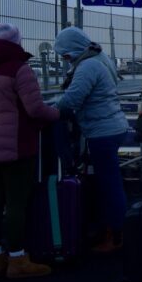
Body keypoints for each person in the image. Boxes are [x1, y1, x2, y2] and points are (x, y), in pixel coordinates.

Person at [0, 23, 60, 279]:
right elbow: (35, 109)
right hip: (16, 145)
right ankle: (18, 259)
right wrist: (57, 113)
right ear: (16, 42)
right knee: (16, 203)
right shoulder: (20, 69)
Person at [54, 26, 129, 252]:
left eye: (65, 54)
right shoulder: (99, 59)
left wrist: (50, 109)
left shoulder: (88, 66)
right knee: (108, 181)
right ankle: (111, 229)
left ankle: (116, 235)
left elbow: (72, 99)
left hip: (102, 131)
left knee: (109, 183)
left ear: (74, 49)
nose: (65, 59)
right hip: (110, 127)